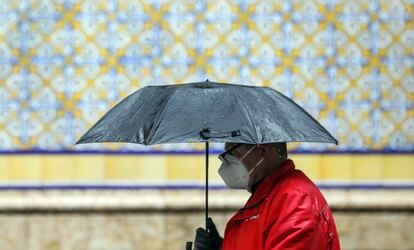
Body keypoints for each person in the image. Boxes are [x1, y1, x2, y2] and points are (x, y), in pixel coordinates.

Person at [193, 142, 340, 250]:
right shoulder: (266, 197)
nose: (225, 164)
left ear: (261, 151)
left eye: (231, 153)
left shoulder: (295, 201)